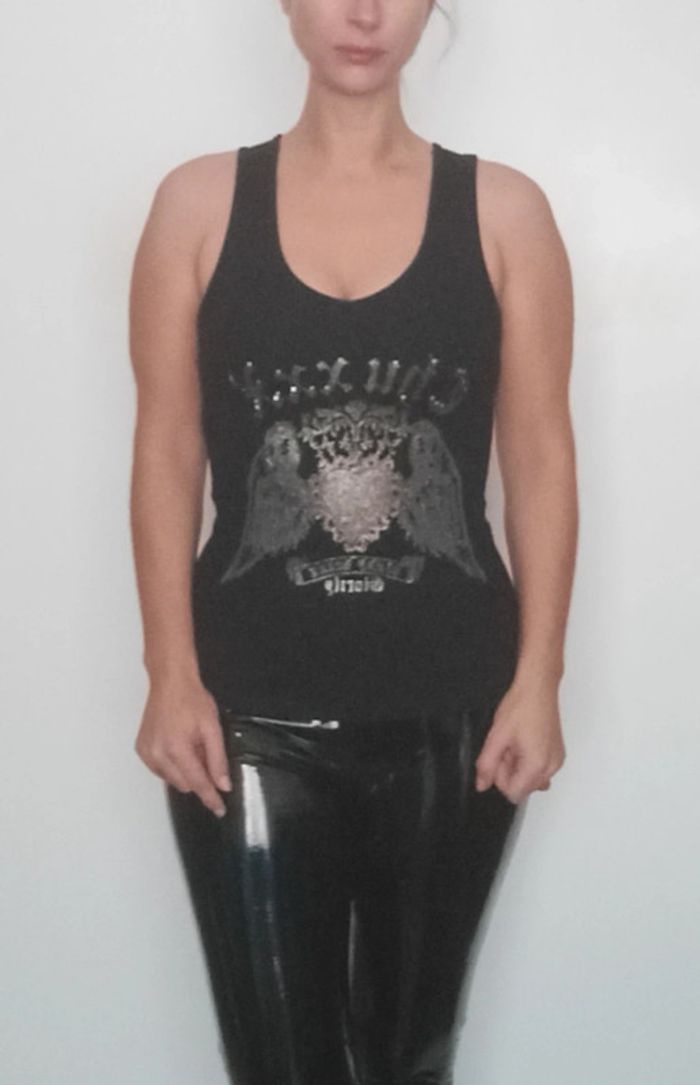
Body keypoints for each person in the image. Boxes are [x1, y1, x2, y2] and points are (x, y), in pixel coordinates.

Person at [128, 2, 576, 1082]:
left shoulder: (506, 214)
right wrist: (169, 675)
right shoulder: (196, 206)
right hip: (244, 716)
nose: (364, 12)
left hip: (452, 714)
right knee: (274, 1061)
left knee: (408, 1055)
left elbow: (540, 459)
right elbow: (166, 449)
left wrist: (539, 680)